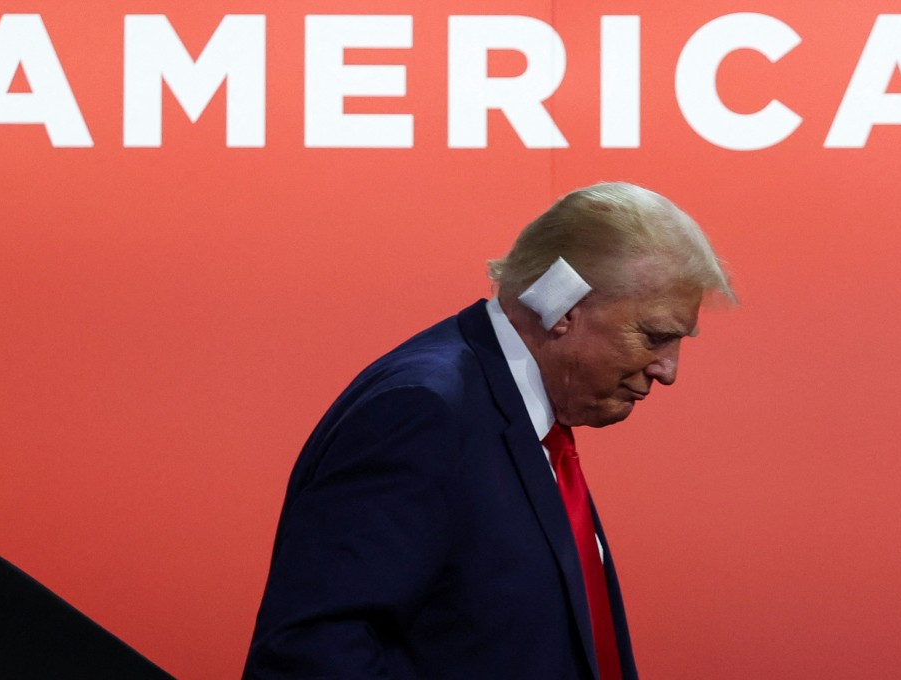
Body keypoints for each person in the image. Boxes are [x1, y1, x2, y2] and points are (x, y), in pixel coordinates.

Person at [243, 182, 736, 679]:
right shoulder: (423, 412)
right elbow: (311, 654)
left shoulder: (523, 417)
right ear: (563, 309)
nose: (668, 370)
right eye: (655, 336)